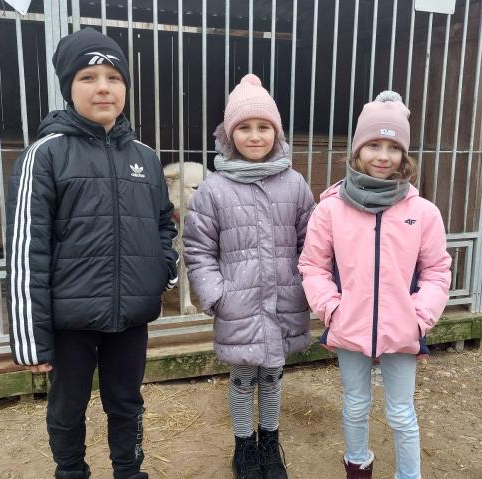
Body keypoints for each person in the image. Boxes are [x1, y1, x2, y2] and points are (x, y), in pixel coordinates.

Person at [5, 27, 178, 479]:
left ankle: (129, 471)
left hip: (130, 318)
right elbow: (26, 249)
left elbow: (164, 222)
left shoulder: (145, 157)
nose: (103, 87)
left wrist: (164, 269)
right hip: (70, 322)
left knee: (127, 402)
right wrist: (30, 336)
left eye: (113, 77)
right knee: (68, 407)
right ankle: (71, 472)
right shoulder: (45, 155)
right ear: (68, 88)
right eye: (88, 77)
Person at [298, 91, 451, 479]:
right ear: (357, 151)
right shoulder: (330, 209)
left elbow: (436, 270)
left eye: (393, 147)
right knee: (355, 404)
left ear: (404, 155)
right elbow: (313, 265)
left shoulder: (423, 212)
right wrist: (332, 310)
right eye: (373, 145)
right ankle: (358, 467)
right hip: (349, 325)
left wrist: (419, 317)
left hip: (403, 328)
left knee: (401, 412)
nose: (383, 156)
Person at [183, 73, 315, 479]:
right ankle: (244, 447)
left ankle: (270, 443)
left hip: (283, 301)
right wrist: (216, 294)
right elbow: (198, 248)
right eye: (244, 127)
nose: (255, 136)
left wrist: (306, 286)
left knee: (273, 375)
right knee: (242, 377)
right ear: (228, 134)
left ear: (276, 133)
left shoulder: (295, 184)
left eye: (263, 127)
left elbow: (311, 241)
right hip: (238, 303)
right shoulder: (213, 189)